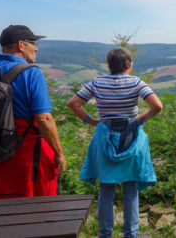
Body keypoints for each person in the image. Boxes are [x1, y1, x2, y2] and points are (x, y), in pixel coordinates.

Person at [67, 47, 162, 238]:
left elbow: (73, 103)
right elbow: (157, 106)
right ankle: (131, 233)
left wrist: (91, 121)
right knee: (130, 189)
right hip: (131, 138)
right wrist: (140, 120)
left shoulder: (97, 82)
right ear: (129, 64)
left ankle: (105, 234)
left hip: (105, 139)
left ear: (109, 65)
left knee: (106, 190)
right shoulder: (136, 82)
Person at [0, 25, 66, 200]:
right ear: (20, 45)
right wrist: (59, 153)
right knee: (34, 206)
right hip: (27, 153)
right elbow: (44, 118)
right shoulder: (32, 73)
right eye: (33, 43)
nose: (36, 47)